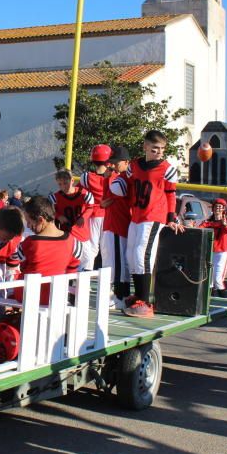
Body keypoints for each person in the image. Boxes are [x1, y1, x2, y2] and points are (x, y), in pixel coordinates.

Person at [110, 130, 184, 318]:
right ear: (145, 146)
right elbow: (124, 181)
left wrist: (171, 217)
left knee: (142, 254)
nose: (158, 152)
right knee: (131, 255)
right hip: (137, 214)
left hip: (153, 215)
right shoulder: (134, 165)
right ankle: (139, 295)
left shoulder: (167, 169)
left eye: (161, 149)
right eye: (154, 148)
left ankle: (146, 300)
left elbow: (170, 194)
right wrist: (117, 183)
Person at [13, 196, 82, 305]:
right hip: (58, 296)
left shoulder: (28, 243)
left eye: (29, 222)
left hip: (29, 295)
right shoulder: (75, 243)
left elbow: (22, 267)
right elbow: (71, 271)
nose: (28, 226)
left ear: (41, 220)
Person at [101, 146, 133, 309]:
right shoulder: (121, 177)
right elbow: (104, 201)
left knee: (117, 263)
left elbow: (104, 201)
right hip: (118, 223)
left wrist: (107, 180)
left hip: (118, 224)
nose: (112, 166)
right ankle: (122, 296)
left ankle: (120, 297)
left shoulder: (122, 179)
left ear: (126, 162)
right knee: (118, 263)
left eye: (116, 162)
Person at [50, 169, 95, 266]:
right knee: (69, 264)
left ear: (72, 181)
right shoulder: (55, 197)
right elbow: (49, 212)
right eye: (60, 184)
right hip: (66, 235)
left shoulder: (84, 194)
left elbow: (91, 207)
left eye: (65, 183)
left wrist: (83, 217)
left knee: (88, 262)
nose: (63, 187)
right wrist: (58, 216)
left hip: (82, 234)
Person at [79, 144, 113, 272]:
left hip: (92, 215)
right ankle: (108, 284)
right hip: (109, 216)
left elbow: (79, 193)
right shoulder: (114, 177)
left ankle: (84, 280)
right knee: (107, 251)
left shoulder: (86, 177)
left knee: (91, 249)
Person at [200, 199, 227, 296]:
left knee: (217, 280)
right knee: (208, 279)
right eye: (216, 206)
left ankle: (222, 300)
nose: (218, 209)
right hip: (209, 252)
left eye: (220, 207)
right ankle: (208, 302)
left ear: (224, 209)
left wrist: (224, 225)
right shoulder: (207, 222)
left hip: (221, 253)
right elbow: (199, 230)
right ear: (213, 208)